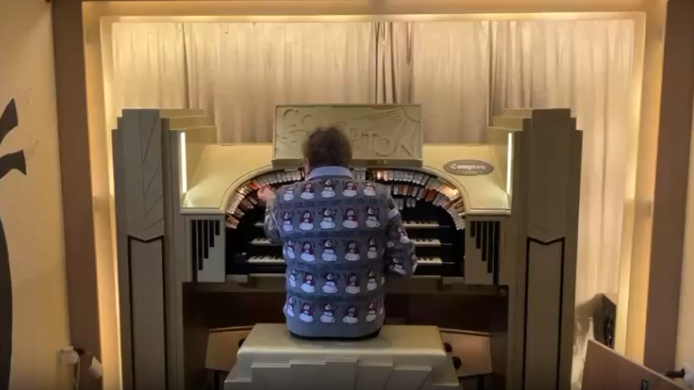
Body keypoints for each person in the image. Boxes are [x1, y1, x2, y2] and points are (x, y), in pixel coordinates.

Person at [258, 126, 417, 340]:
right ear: (348, 161)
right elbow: (405, 266)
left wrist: (270, 202)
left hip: (302, 324)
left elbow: (273, 233)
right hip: (364, 325)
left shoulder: (285, 197)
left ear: (307, 163)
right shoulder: (378, 195)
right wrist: (368, 266)